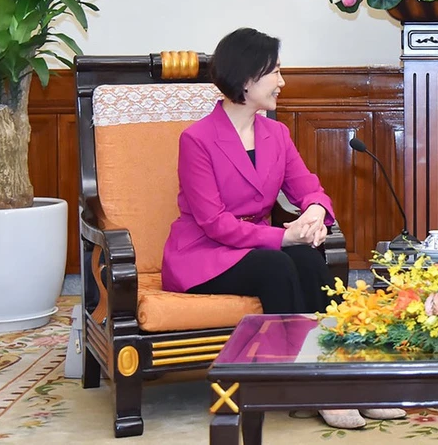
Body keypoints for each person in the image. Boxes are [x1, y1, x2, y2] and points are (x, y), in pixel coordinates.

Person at [161, 27, 404, 430]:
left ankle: (348, 376)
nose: (282, 81)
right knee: (278, 265)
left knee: (307, 260)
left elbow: (310, 188)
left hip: (255, 245)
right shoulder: (197, 140)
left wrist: (313, 213)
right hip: (203, 254)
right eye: (275, 71)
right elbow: (213, 223)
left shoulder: (276, 133)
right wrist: (283, 235)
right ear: (246, 79)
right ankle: (311, 385)